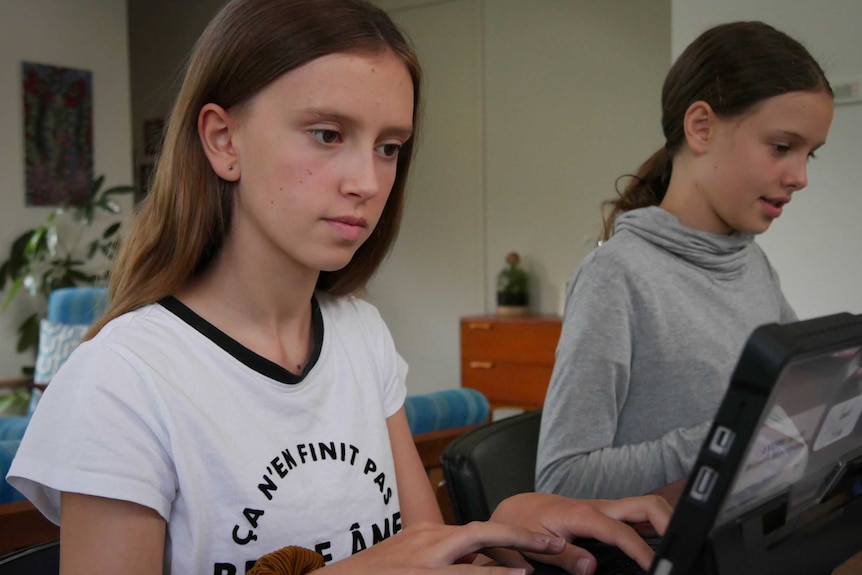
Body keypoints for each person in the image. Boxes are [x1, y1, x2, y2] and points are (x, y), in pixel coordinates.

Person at [7, 1, 670, 573]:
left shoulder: (358, 332)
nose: (368, 181)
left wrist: (508, 521)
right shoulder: (121, 380)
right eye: (328, 134)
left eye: (389, 147)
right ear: (223, 140)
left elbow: (416, 547)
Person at [536, 21, 834, 501]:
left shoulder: (752, 264)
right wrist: (726, 441)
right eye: (782, 147)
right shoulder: (616, 276)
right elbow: (564, 481)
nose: (799, 176)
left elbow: (795, 402)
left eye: (809, 155)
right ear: (701, 127)